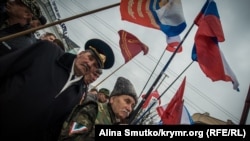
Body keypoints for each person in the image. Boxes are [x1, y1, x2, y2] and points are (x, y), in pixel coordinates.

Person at [0, 38, 115, 140]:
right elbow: (7, 65)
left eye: (95, 65)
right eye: (90, 58)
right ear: (80, 54)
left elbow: (55, 125)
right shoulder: (48, 51)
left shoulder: (78, 93)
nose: (90, 64)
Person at [58, 76, 138, 141]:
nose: (129, 108)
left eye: (132, 105)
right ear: (112, 99)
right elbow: (69, 138)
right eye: (127, 101)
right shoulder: (93, 110)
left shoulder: (114, 121)